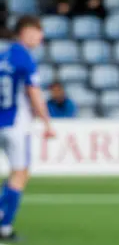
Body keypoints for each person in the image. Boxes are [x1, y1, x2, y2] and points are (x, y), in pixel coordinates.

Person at [0, 16, 55, 241]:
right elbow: (34, 92)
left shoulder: (4, 56)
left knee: (16, 173)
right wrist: (46, 121)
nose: (39, 37)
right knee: (21, 173)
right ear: (24, 32)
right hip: (16, 124)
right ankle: (4, 225)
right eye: (36, 32)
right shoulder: (25, 58)